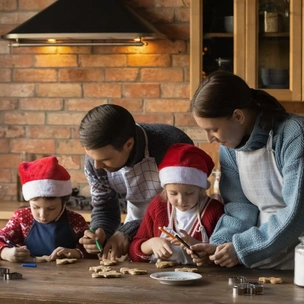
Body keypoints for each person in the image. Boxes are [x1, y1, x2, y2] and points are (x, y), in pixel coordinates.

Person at [189, 70, 304, 269]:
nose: (209, 139)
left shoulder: (294, 135)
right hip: (262, 256)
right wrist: (218, 246)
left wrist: (243, 248)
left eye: (213, 129)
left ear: (238, 116)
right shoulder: (230, 149)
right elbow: (239, 209)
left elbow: (296, 213)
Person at [78, 104, 194, 260]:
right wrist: (99, 232)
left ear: (129, 144)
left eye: (105, 159)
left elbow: (181, 206)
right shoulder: (96, 159)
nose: (97, 166)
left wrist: (127, 231)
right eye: (93, 159)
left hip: (181, 232)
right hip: (138, 228)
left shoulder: (172, 144)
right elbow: (105, 208)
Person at [129, 143, 224, 264]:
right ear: (165, 190)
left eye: (189, 193)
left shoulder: (214, 210)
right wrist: (151, 244)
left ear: (201, 190)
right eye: (173, 193)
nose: (181, 201)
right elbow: (133, 252)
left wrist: (201, 249)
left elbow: (224, 253)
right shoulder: (158, 206)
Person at [0, 156, 91, 262]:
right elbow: (1, 238)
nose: (42, 215)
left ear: (64, 202)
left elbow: (92, 251)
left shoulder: (76, 221)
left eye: (51, 208)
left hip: (66, 275)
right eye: (36, 207)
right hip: (29, 274)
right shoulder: (21, 218)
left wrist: (76, 253)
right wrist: (5, 252)